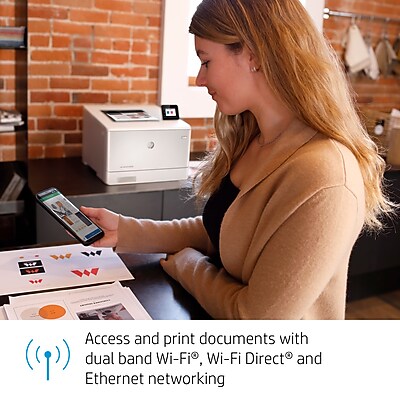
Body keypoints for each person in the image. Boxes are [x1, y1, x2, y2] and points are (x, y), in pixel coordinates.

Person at [81, 0, 396, 319]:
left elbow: (257, 317)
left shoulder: (326, 176)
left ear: (253, 55)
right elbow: (224, 231)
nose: (200, 79)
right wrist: (125, 230)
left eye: (206, 61)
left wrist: (188, 265)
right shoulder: (254, 139)